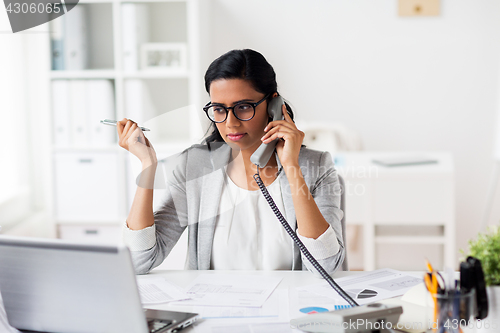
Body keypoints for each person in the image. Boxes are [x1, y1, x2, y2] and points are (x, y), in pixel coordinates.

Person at [118, 49, 345, 275]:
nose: (231, 123)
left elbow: (325, 267)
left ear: (274, 106)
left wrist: (292, 167)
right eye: (219, 109)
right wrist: (148, 166)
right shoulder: (195, 166)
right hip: (214, 306)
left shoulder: (316, 166)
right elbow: (139, 261)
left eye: (243, 107)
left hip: (288, 307)